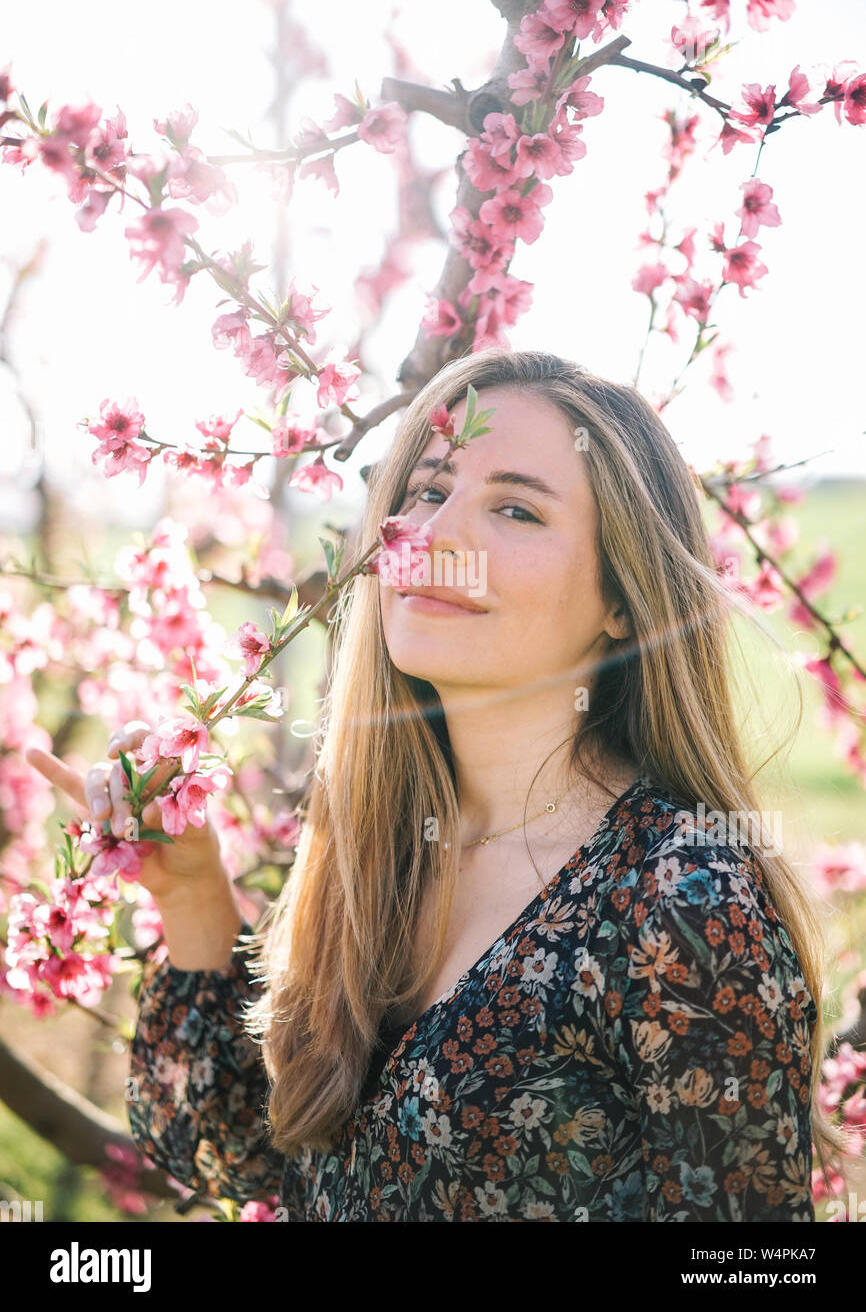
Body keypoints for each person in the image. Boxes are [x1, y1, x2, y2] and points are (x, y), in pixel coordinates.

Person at [28, 347, 846, 1221]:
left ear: (623, 599)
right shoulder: (382, 849)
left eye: (517, 509)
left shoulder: (679, 895)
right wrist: (191, 895)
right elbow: (238, 1153)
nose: (436, 535)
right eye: (426, 492)